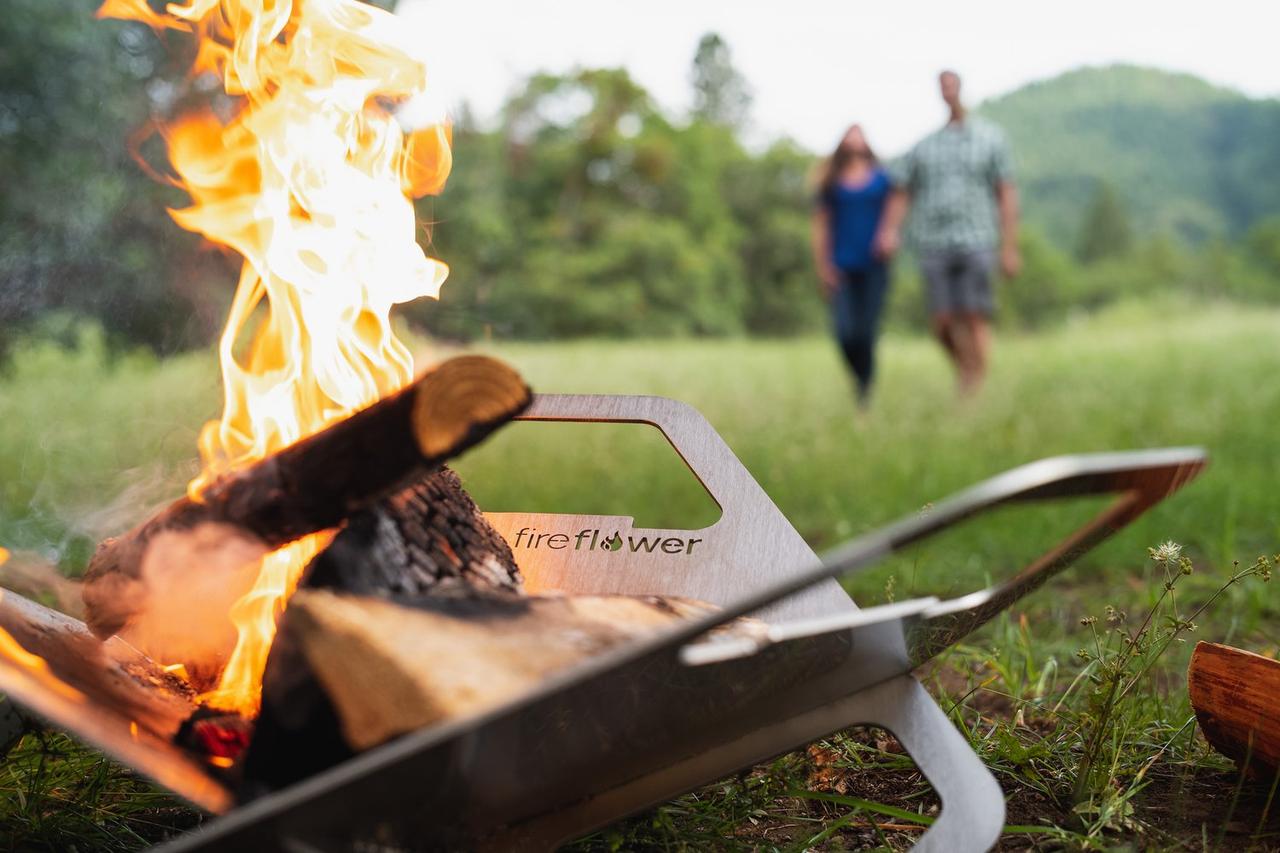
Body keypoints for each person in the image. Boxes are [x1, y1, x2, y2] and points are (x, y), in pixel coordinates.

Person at [875, 70, 1021, 395]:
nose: (948, 90)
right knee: (941, 323)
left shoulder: (990, 138)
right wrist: (889, 231)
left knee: (974, 316)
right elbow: (902, 191)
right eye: (942, 86)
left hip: (978, 238)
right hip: (934, 242)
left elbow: (1006, 193)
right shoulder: (925, 146)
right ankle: (967, 374)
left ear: (960, 87)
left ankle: (975, 390)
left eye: (952, 84)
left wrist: (1010, 246)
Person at [811, 124, 894, 408]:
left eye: (860, 132)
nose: (855, 137)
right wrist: (823, 266)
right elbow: (821, 226)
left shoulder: (882, 179)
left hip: (874, 268)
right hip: (841, 267)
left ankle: (865, 393)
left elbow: (895, 209)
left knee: (866, 332)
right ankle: (860, 378)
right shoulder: (831, 182)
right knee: (845, 333)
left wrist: (889, 234)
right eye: (851, 132)